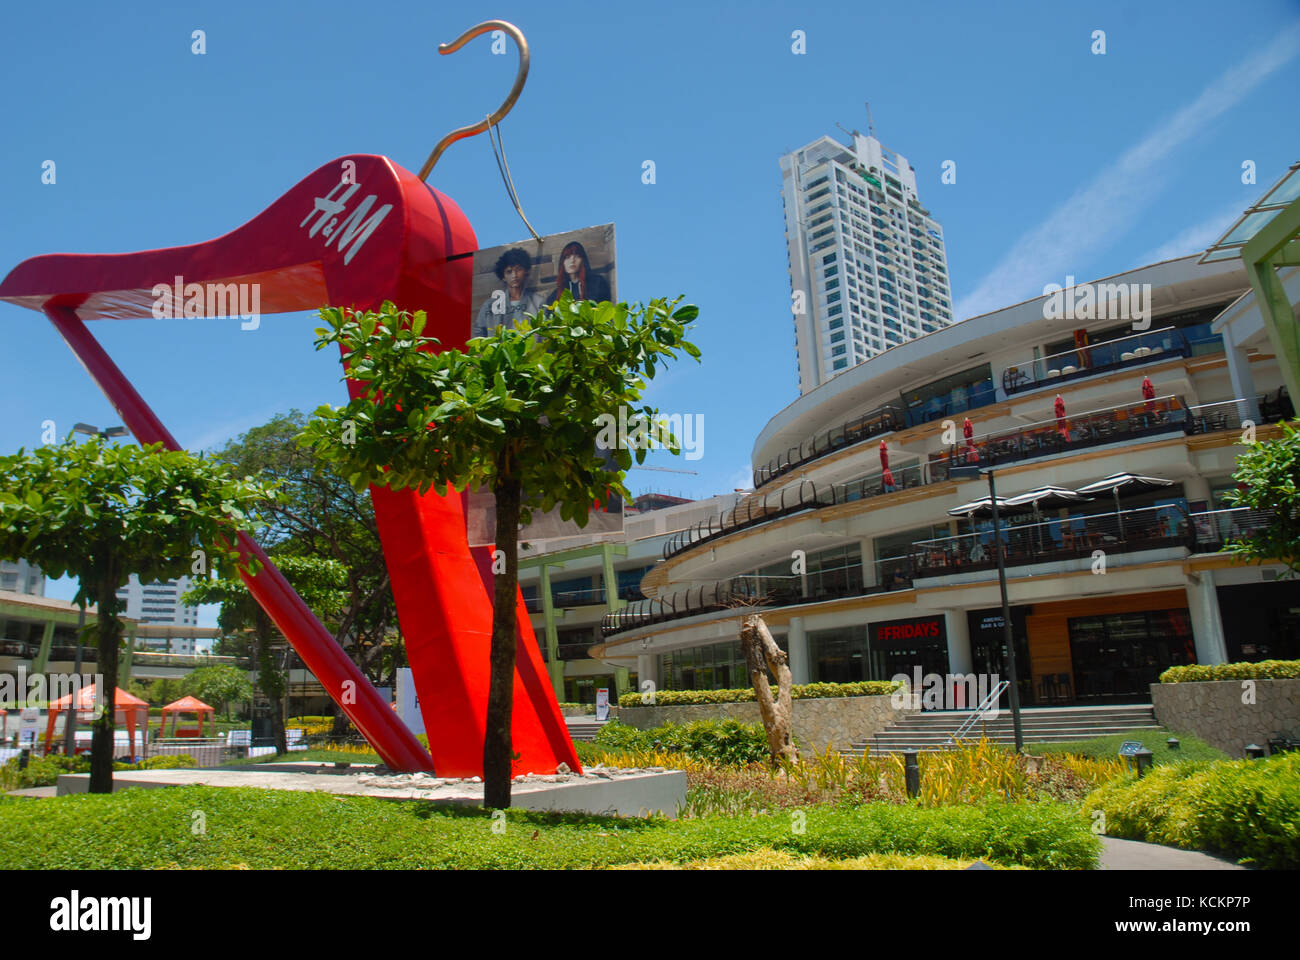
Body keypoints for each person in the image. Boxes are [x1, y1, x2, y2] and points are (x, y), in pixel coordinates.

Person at [473, 248, 546, 338]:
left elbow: (545, 333)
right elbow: (479, 332)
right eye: (509, 271)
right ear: (503, 276)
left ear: (525, 271)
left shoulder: (538, 302)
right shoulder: (490, 305)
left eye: (518, 269)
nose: (514, 275)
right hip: (500, 351)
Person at [546, 241, 611, 305]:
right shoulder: (555, 295)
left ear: (583, 260)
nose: (572, 260)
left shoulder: (597, 284)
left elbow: (606, 309)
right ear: (562, 263)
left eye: (577, 256)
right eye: (567, 257)